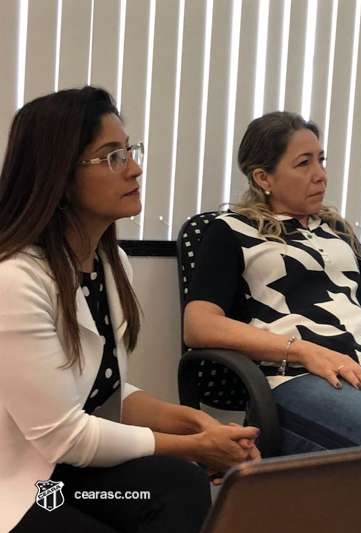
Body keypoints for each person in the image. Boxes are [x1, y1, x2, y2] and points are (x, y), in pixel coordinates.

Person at [0, 87, 260, 533]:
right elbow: (67, 434)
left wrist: (193, 424)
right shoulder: (15, 279)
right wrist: (192, 444)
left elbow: (105, 389)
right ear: (60, 176)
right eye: (112, 156)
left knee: (181, 485)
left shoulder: (110, 264)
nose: (135, 168)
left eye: (129, 151)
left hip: (67, 475)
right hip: (23, 483)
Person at [183, 111, 361, 455]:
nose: (321, 175)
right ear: (264, 177)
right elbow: (198, 325)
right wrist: (306, 351)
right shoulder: (231, 231)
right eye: (303, 164)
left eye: (321, 160)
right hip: (295, 374)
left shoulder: (335, 231)